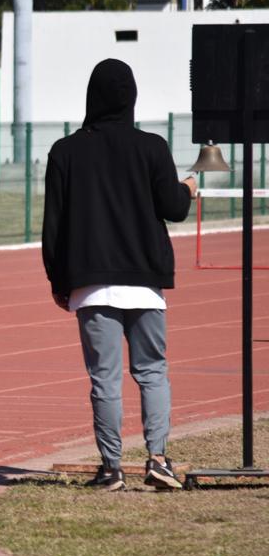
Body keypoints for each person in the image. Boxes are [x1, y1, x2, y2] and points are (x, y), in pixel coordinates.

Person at [42, 58, 197, 491]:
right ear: (131, 97)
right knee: (152, 371)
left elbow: (52, 226)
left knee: (104, 377)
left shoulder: (65, 151)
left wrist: (58, 281)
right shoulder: (151, 147)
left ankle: (111, 468)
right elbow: (174, 209)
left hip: (90, 284)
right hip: (144, 280)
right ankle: (159, 460)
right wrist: (187, 187)